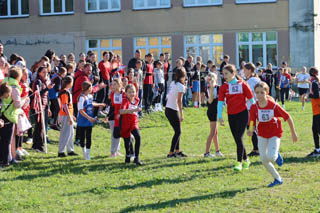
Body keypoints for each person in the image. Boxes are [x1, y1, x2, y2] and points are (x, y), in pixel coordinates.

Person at [248, 82, 298, 187]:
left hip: (275, 133)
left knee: (270, 157)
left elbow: (287, 117)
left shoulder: (273, 106)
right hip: (262, 134)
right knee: (263, 159)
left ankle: (276, 154)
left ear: (267, 93)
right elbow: (252, 120)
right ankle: (278, 179)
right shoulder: (254, 107)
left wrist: (293, 133)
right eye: (257, 93)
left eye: (262, 92)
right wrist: (251, 129)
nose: (259, 95)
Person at [218, 64, 254, 171]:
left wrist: (256, 113)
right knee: (237, 140)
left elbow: (252, 100)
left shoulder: (243, 85)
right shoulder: (223, 87)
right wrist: (220, 116)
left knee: (239, 138)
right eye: (223, 74)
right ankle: (246, 159)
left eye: (226, 73)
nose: (224, 76)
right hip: (231, 115)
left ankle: (239, 162)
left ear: (233, 74)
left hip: (243, 114)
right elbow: (220, 102)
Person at [1, 67, 29, 165]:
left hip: (2, 114)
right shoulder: (15, 88)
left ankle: (8, 158)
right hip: (10, 115)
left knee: (4, 139)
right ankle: (5, 161)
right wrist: (24, 100)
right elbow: (17, 104)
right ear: (18, 76)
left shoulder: (4, 83)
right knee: (7, 140)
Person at [77, 81, 106, 160]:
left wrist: (100, 104)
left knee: (89, 137)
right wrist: (89, 118)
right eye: (90, 87)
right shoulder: (81, 98)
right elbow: (80, 110)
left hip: (90, 120)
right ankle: (84, 152)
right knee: (82, 137)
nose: (92, 89)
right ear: (87, 88)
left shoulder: (90, 96)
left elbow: (91, 104)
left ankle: (88, 154)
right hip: (83, 120)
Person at [165, 68, 187, 158]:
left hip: (168, 108)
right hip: (173, 110)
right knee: (178, 132)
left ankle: (177, 151)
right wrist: (182, 114)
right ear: (183, 76)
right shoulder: (180, 86)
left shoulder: (173, 83)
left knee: (177, 131)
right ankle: (171, 152)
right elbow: (179, 101)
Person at [31, 66, 53, 153]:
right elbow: (38, 94)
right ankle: (39, 146)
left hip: (44, 105)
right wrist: (47, 88)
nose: (45, 74)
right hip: (37, 106)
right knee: (40, 126)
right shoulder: (38, 82)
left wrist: (48, 107)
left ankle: (36, 145)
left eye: (46, 72)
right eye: (43, 72)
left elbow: (46, 96)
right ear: (39, 73)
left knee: (40, 126)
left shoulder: (44, 82)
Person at [120, 84, 142, 165]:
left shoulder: (137, 100)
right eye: (129, 92)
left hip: (134, 122)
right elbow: (121, 111)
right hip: (126, 122)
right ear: (125, 93)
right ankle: (128, 155)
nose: (132, 94)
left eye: (133, 92)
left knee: (138, 137)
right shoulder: (125, 101)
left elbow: (136, 108)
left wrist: (138, 110)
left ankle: (137, 157)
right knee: (127, 140)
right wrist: (132, 110)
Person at [58, 76, 78, 157]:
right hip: (65, 115)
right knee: (65, 133)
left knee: (71, 133)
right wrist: (69, 116)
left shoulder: (67, 91)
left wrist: (71, 115)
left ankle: (70, 150)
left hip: (68, 114)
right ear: (69, 83)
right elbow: (65, 105)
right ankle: (61, 151)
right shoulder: (64, 92)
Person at [204, 72, 223, 158]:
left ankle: (217, 151)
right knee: (212, 132)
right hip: (211, 111)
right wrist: (211, 88)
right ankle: (206, 152)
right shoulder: (208, 88)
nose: (211, 80)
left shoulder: (218, 88)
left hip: (216, 110)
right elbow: (210, 101)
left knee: (215, 132)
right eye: (209, 79)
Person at [244, 63, 261, 157]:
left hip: (251, 107)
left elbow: (247, 94)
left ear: (250, 70)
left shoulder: (251, 81)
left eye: (245, 69)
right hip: (255, 106)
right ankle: (258, 147)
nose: (243, 71)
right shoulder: (256, 79)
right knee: (253, 127)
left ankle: (256, 149)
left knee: (251, 127)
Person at [108, 78, 125, 157]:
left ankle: (117, 151)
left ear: (120, 85)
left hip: (122, 117)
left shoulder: (124, 94)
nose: (113, 86)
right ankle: (113, 152)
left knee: (120, 134)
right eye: (112, 84)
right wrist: (108, 116)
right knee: (114, 135)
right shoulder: (112, 94)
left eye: (115, 84)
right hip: (113, 117)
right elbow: (112, 107)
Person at [307, 67, 320, 157]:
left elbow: (316, 95)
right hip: (317, 110)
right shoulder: (316, 82)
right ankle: (317, 150)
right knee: (315, 130)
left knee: (316, 130)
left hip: (317, 110)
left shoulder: (314, 83)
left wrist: (309, 95)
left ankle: (317, 150)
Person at [0, 82, 13, 166]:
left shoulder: (1, 100)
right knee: (5, 141)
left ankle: (3, 161)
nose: (10, 94)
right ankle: (5, 162)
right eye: (9, 92)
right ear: (5, 93)